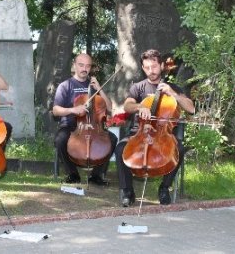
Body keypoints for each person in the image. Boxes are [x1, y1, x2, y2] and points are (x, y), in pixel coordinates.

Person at [114, 49, 195, 207]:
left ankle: (164, 188)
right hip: (138, 133)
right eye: (147, 67)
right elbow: (127, 106)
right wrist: (139, 107)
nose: (151, 71)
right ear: (143, 68)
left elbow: (191, 108)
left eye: (154, 66)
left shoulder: (173, 87)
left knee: (179, 149)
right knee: (120, 149)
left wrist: (174, 94)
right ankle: (128, 191)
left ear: (162, 65)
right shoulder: (138, 88)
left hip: (163, 135)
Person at [53, 53, 118, 185]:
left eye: (88, 66)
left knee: (112, 138)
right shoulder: (65, 86)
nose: (84, 68)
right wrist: (73, 110)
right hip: (71, 125)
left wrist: (99, 88)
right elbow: (55, 110)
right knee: (60, 139)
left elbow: (110, 107)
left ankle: (96, 175)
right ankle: (73, 174)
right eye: (81, 65)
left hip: (94, 126)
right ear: (74, 66)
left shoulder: (94, 85)